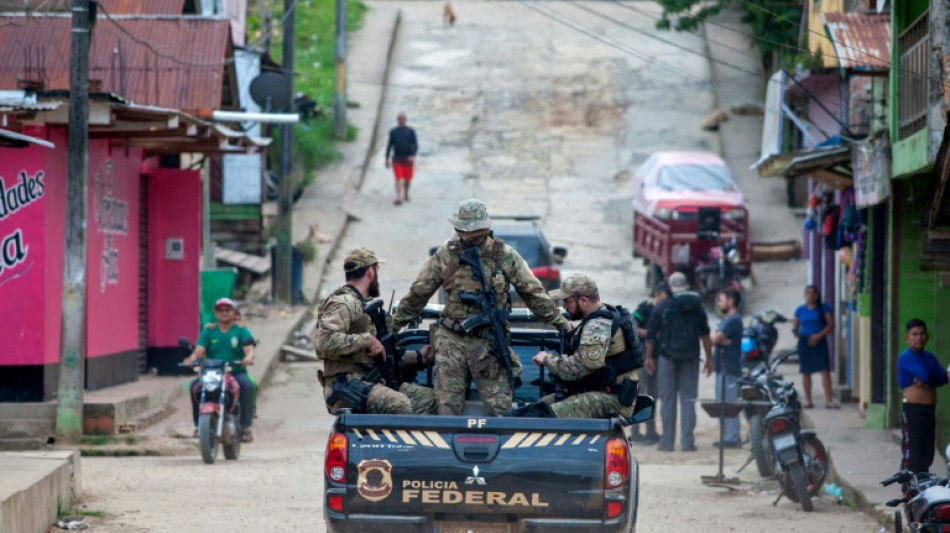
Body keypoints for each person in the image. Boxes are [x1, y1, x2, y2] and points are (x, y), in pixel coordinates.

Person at [391, 199, 571, 416]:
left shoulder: (504, 254)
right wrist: (392, 327)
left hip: (489, 341)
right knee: (447, 407)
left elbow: (533, 294)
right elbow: (418, 294)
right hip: (451, 339)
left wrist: (562, 324)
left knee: (500, 410)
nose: (469, 234)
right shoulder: (447, 254)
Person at [314, 247, 436, 415]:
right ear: (371, 272)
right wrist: (367, 341)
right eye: (377, 271)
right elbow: (323, 343)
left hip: (372, 381)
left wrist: (418, 357)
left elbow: (384, 355)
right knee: (399, 404)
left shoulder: (367, 306)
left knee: (429, 400)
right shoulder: (343, 302)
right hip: (345, 386)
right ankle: (392, 442)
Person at [528, 273, 642, 419]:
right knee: (535, 409)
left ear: (583, 300)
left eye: (567, 301)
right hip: (598, 392)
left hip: (612, 399)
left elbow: (581, 366)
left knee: (544, 415)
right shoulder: (598, 318)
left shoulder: (598, 324)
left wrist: (547, 360)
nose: (564, 306)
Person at [644, 272, 712, 452]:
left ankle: (667, 442)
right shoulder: (698, 307)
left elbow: (651, 336)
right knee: (688, 401)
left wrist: (649, 357)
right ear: (687, 284)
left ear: (670, 285)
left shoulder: (663, 307)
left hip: (667, 358)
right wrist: (709, 358)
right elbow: (705, 334)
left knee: (668, 400)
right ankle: (687, 442)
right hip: (691, 358)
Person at [183, 297, 256, 443]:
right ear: (216, 313)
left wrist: (248, 357)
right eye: (220, 310)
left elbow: (249, 349)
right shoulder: (208, 331)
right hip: (212, 373)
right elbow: (198, 351)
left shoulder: (241, 330)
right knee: (194, 387)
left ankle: (245, 426)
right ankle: (199, 426)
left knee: (247, 386)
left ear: (233, 312)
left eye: (227, 310)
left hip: (235, 372)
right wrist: (191, 360)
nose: (224, 313)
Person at [897, 319, 950, 473]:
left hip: (928, 412)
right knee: (913, 453)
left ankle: (921, 489)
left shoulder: (929, 357)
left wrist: (928, 381)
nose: (918, 337)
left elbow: (942, 378)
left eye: (921, 334)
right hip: (913, 411)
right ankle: (908, 491)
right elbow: (927, 375)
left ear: (927, 337)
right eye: (914, 334)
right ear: (907, 338)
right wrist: (929, 378)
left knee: (927, 454)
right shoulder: (906, 357)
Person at [630, 282, 670, 444]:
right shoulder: (645, 308)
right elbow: (632, 326)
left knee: (653, 396)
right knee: (640, 395)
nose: (663, 302)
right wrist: (649, 333)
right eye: (662, 298)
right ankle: (636, 432)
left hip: (658, 358)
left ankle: (651, 431)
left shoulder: (665, 310)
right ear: (656, 295)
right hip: (642, 359)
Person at [791, 284, 838, 409]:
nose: (810, 296)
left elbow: (831, 325)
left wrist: (818, 336)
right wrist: (797, 334)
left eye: (813, 293)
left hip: (819, 340)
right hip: (805, 342)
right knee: (806, 371)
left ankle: (829, 399)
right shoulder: (800, 310)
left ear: (817, 295)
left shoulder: (823, 308)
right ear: (804, 295)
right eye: (808, 293)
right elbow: (795, 326)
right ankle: (808, 400)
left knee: (824, 370)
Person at [710, 287, 744, 448]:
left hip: (729, 368)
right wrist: (718, 338)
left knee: (729, 404)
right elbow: (716, 338)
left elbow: (714, 339)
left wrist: (717, 338)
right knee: (722, 404)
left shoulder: (733, 320)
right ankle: (727, 436)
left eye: (721, 300)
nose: (719, 304)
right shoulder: (727, 320)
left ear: (731, 302)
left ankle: (732, 437)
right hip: (723, 368)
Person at [384, 111, 418, 205]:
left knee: (408, 179)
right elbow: (389, 146)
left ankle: (406, 193)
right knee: (398, 178)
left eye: (403, 119)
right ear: (397, 120)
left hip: (408, 159)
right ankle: (399, 197)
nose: (401, 121)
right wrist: (386, 159)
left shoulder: (411, 132)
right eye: (400, 119)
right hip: (397, 158)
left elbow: (415, 145)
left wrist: (413, 155)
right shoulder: (393, 132)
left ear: (405, 120)